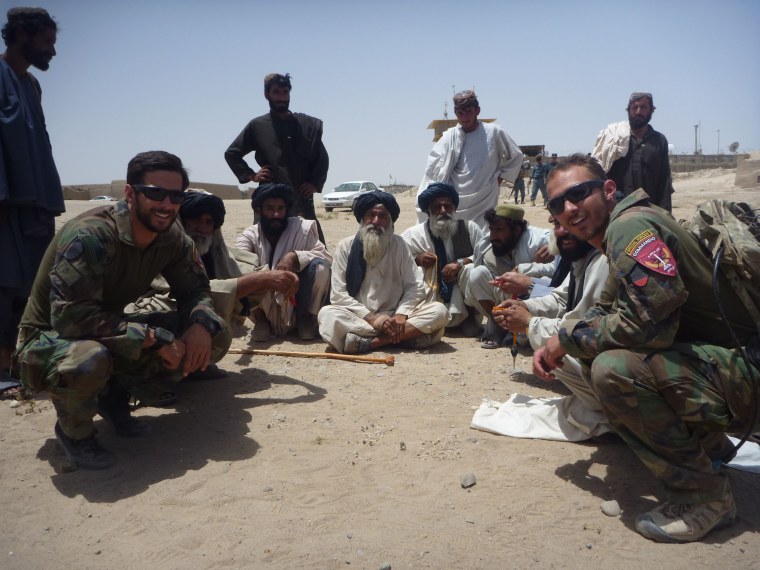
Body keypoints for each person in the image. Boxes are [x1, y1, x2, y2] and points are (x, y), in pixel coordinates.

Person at [533, 153, 758, 543]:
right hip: (730, 365)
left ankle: (704, 497)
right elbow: (606, 308)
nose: (569, 209)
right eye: (557, 204)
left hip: (748, 373)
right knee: (594, 347)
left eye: (579, 193)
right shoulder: (625, 225)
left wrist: (565, 340)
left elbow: (648, 326)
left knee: (613, 369)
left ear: (606, 190)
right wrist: (563, 338)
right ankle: (710, 448)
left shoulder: (630, 227)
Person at [13, 151, 231, 470]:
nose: (166, 204)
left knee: (217, 334)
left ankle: (114, 398)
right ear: (130, 193)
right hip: (52, 338)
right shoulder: (91, 236)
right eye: (155, 193)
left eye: (175, 196)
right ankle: (75, 434)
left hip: (106, 329)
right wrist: (153, 338)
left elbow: (195, 289)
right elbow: (71, 318)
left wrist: (199, 324)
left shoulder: (172, 238)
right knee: (89, 359)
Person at [492, 215, 610, 437]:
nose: (562, 231)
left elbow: (583, 326)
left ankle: (610, 411)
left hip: (612, 352)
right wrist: (523, 305)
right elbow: (561, 298)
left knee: (555, 348)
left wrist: (529, 323)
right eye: (557, 224)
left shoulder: (601, 260)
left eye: (570, 223)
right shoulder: (580, 257)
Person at [0, 8, 62, 399]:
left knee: (35, 286)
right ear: (21, 35)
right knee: (2, 285)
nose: (53, 51)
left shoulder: (33, 85)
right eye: (47, 42)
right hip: (5, 204)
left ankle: (25, 361)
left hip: (35, 203)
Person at [318, 191, 448, 354]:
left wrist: (401, 315)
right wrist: (373, 319)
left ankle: (373, 343)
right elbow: (338, 295)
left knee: (439, 311)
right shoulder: (345, 246)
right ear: (362, 219)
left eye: (383, 216)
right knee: (327, 315)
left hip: (397, 318)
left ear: (391, 222)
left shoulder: (399, 245)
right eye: (370, 215)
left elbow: (414, 287)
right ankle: (405, 337)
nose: (375, 221)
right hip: (361, 318)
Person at [225, 73, 329, 242]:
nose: (281, 97)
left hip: (301, 198)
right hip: (271, 199)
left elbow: (322, 157)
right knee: (267, 247)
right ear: (267, 95)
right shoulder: (257, 126)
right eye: (276, 92)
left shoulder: (305, 125)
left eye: (285, 92)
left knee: (314, 252)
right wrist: (252, 175)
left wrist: (314, 183)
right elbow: (232, 153)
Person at [236, 183, 331, 341]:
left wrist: (294, 257)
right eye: (270, 209)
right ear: (259, 210)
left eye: (280, 209)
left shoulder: (301, 228)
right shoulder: (250, 235)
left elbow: (324, 255)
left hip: (296, 298)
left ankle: (305, 319)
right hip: (265, 302)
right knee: (243, 272)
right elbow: (239, 263)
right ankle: (261, 321)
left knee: (321, 268)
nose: (276, 214)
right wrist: (270, 276)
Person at [417, 90, 523, 229]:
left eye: (469, 111)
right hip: (454, 201)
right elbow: (432, 168)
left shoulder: (494, 132)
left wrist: (499, 179)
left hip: (484, 197)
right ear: (456, 114)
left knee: (482, 234)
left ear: (477, 110)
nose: (465, 117)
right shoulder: (449, 138)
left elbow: (516, 156)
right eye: (460, 113)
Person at [464, 205, 553, 348]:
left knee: (524, 341)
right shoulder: (486, 244)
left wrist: (529, 268)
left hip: (532, 297)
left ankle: (522, 329)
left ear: (517, 230)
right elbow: (476, 284)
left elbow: (559, 274)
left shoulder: (541, 240)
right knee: (476, 273)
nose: (493, 235)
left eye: (499, 230)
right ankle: (500, 324)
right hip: (504, 297)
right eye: (491, 229)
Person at [401, 182, 483, 336]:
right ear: (428, 211)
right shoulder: (413, 235)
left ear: (455, 208)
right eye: (437, 207)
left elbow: (485, 255)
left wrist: (460, 263)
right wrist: (417, 259)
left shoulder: (469, 228)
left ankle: (469, 317)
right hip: (431, 291)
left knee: (472, 270)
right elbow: (398, 260)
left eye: (447, 206)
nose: (443, 211)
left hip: (461, 286)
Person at [593, 92, 674, 211]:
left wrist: (665, 216)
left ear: (651, 110)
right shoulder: (615, 138)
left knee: (648, 231)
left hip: (649, 210)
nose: (638, 111)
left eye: (643, 107)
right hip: (617, 211)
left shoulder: (659, 141)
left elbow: (664, 182)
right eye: (634, 107)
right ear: (628, 110)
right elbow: (600, 174)